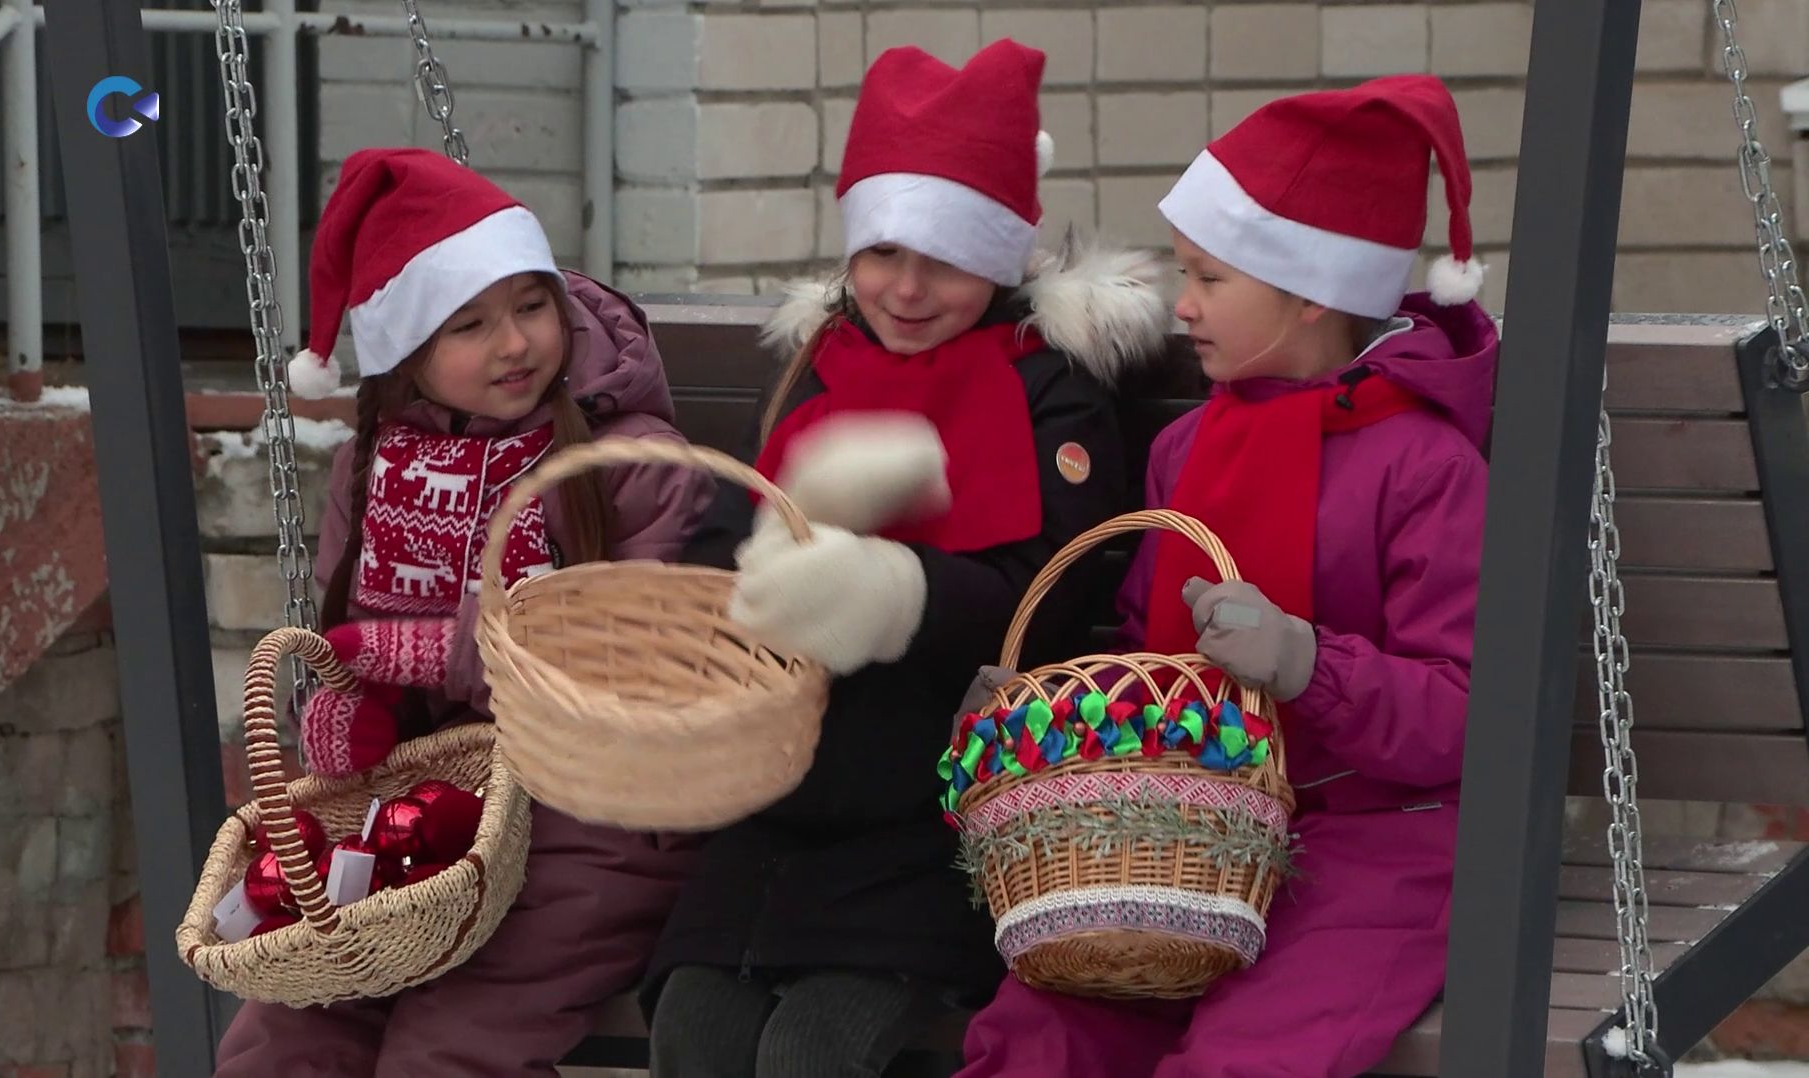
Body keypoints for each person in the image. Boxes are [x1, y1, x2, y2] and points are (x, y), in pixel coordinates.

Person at [639, 38, 1177, 1078]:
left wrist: (896, 591)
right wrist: (735, 585)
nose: (907, 287)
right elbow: (740, 522)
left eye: (945, 258)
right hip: (777, 794)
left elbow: (1055, 595)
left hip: (941, 806)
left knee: (811, 1051)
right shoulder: (817, 365)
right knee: (691, 1031)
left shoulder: (1050, 390)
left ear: (1002, 252)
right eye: (882, 253)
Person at [954, 74, 1498, 1078]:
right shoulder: (1190, 447)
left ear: (1311, 291)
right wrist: (1043, 715)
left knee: (1246, 1057)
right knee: (1038, 1034)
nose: (1183, 305)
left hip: (1384, 848)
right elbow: (1145, 655)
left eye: (1210, 278)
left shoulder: (1427, 467)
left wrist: (1304, 660)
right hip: (1192, 833)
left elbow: (1473, 714)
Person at [214, 146, 712, 1077]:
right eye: (469, 325)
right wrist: (348, 709)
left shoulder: (628, 459)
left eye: (530, 306)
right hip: (426, 814)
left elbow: (637, 659)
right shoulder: (371, 468)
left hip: (596, 825)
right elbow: (351, 642)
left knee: (448, 1051)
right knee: (287, 1036)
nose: (515, 343)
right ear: (408, 350)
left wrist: (437, 654)